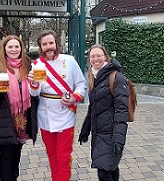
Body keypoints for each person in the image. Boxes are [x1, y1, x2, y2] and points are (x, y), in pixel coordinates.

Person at [27, 30, 87, 181]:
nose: (49, 47)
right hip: (45, 116)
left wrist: (74, 97)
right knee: (52, 156)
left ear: (56, 44)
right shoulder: (36, 65)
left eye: (51, 43)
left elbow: (81, 84)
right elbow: (34, 94)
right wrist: (33, 84)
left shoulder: (70, 61)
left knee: (63, 156)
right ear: (40, 47)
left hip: (65, 114)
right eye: (44, 44)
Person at [0, 35, 38, 181]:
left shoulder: (27, 64)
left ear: (21, 48)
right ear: (4, 49)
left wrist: (35, 84)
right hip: (5, 116)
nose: (14, 49)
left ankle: (14, 177)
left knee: (17, 151)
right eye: (10, 47)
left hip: (23, 117)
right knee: (6, 153)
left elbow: (35, 91)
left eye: (17, 46)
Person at [78, 44, 129, 181]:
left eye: (98, 55)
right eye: (92, 56)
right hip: (99, 133)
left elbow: (121, 111)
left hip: (111, 134)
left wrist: (119, 139)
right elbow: (92, 108)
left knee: (104, 172)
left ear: (105, 57)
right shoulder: (94, 77)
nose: (95, 59)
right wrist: (85, 131)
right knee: (110, 167)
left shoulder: (116, 78)